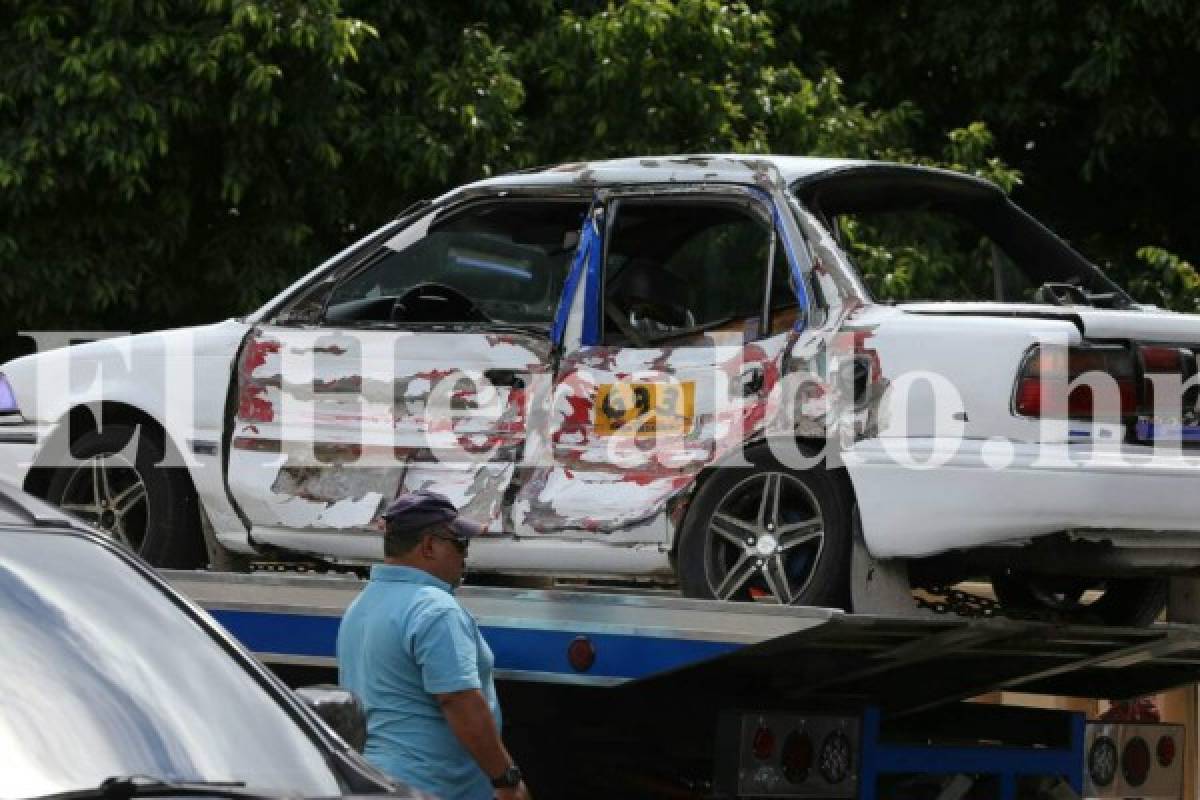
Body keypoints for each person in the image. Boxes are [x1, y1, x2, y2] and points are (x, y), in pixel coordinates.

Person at [337, 491, 530, 800]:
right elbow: (460, 701)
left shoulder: (363, 605)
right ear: (428, 545)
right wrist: (506, 778)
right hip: (431, 787)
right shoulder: (436, 609)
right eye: (460, 543)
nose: (464, 556)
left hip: (375, 781)